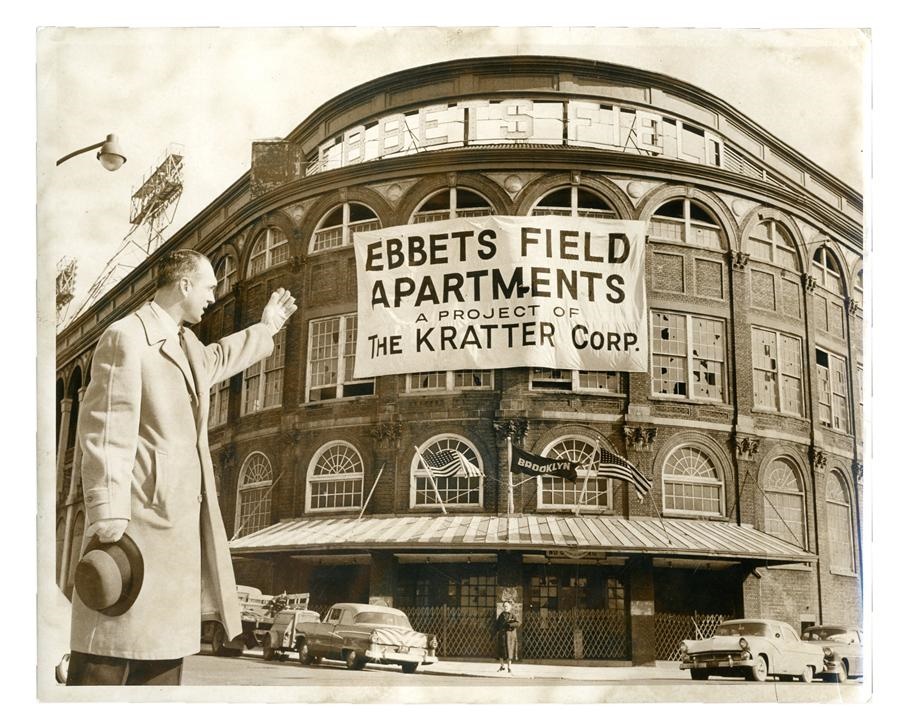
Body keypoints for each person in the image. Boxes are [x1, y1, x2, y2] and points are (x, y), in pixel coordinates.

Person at [67, 249, 297, 686]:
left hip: (173, 529)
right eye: (210, 286)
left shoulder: (184, 342)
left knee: (161, 662)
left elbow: (219, 359)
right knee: (108, 661)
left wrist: (267, 328)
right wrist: (107, 511)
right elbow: (103, 429)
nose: (215, 294)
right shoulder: (126, 337)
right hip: (134, 527)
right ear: (185, 285)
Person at [495, 600, 519, 674]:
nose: (505, 607)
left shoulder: (513, 615)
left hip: (510, 636)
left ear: (510, 607)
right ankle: (502, 666)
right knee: (501, 651)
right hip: (502, 635)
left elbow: (518, 623)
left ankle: (509, 667)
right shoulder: (501, 615)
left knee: (509, 651)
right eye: (504, 606)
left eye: (507, 606)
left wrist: (510, 625)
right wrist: (495, 633)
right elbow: (497, 625)